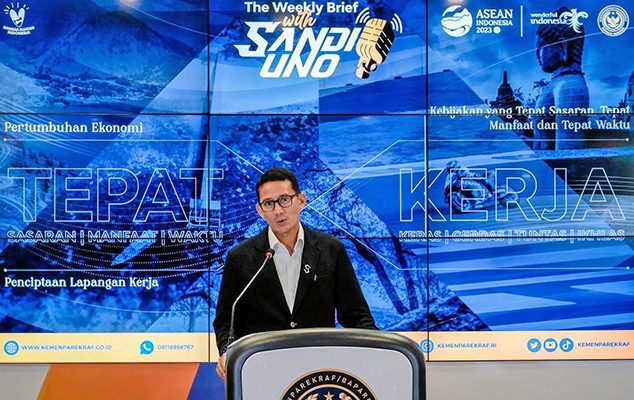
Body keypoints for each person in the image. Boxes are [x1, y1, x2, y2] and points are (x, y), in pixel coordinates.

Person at [213, 167, 377, 381]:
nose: (278, 210)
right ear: (260, 210)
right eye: (269, 203)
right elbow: (226, 320)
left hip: (319, 374)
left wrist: (377, 352)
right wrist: (227, 351)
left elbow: (356, 316)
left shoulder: (331, 249)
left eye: (284, 200)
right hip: (262, 372)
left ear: (301, 200)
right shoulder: (240, 257)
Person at [533, 6, 590, 150]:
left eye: (542, 46)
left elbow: (568, 151)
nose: (537, 54)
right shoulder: (557, 83)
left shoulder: (569, 87)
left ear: (562, 47)